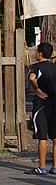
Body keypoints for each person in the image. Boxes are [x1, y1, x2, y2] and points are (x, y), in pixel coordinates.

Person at [27, 43, 56, 175]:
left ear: (40, 54)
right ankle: (55, 166)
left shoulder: (37, 67)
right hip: (54, 103)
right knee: (55, 137)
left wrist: (37, 89)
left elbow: (32, 78)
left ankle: (42, 166)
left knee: (42, 136)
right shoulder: (54, 67)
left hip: (42, 104)